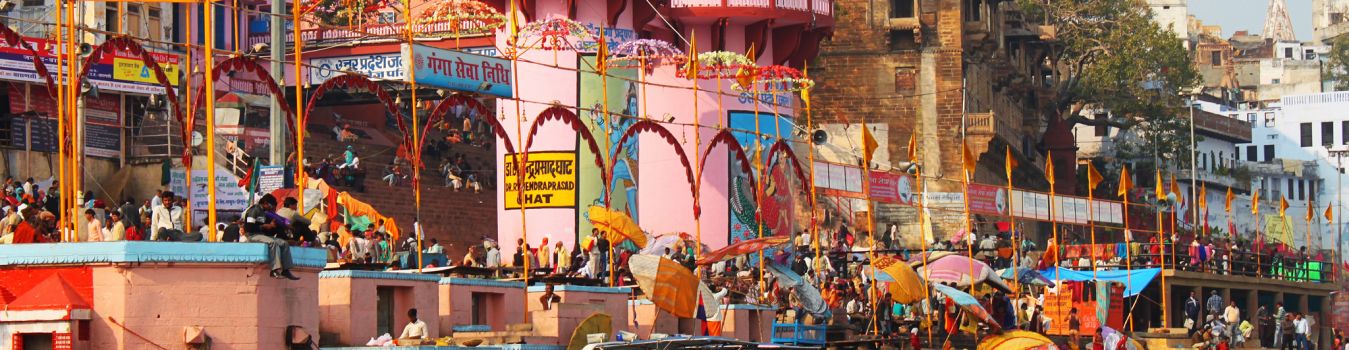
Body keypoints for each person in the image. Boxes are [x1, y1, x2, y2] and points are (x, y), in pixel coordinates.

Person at [243, 194, 299, 280]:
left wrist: (271, 226)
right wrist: (264, 226)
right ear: (265, 203)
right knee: (272, 242)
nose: (271, 208)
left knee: (284, 243)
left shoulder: (264, 212)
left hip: (261, 235)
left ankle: (286, 270)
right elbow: (249, 227)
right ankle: (274, 270)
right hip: (252, 235)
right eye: (271, 205)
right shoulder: (254, 210)